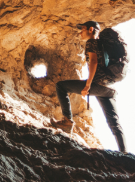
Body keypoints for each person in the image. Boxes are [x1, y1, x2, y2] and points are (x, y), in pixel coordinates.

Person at [52, 21, 127, 153]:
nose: (80, 32)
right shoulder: (104, 46)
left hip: (97, 85)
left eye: (83, 29)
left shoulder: (92, 42)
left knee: (61, 86)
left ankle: (67, 121)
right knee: (114, 122)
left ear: (91, 29)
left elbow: (93, 62)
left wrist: (87, 85)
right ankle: (124, 152)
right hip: (109, 89)